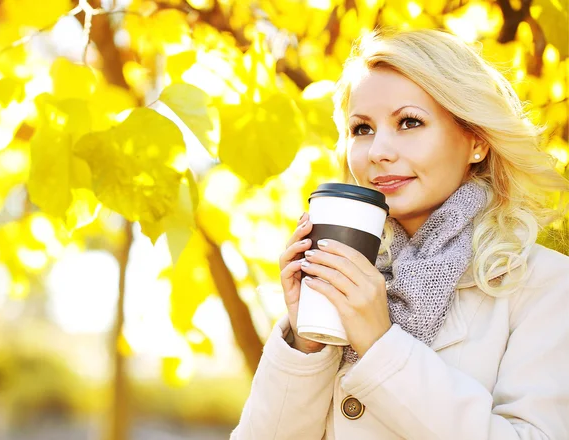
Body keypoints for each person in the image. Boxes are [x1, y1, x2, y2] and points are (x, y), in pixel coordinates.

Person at [230, 28, 569, 439]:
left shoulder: (544, 285)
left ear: (476, 140)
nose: (378, 151)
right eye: (362, 129)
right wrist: (308, 340)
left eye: (409, 122)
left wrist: (380, 344)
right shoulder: (342, 278)